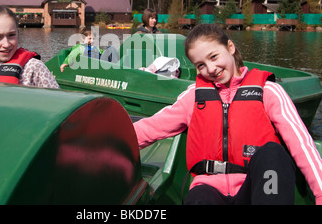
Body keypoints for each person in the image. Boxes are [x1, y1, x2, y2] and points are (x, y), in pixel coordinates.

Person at [134, 24, 322, 205]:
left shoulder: (268, 91)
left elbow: (302, 144)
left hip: (255, 188)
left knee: (273, 153)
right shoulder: (193, 97)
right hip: (208, 189)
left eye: (214, 56)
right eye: (201, 65)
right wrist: (109, 139)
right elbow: (152, 127)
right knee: (199, 198)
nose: (211, 69)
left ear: (230, 47)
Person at [0, 5, 60, 89]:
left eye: (11, 35)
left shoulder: (34, 67)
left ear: (18, 33)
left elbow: (59, 101)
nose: (6, 44)